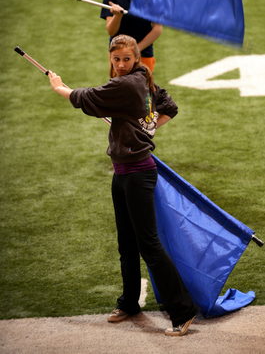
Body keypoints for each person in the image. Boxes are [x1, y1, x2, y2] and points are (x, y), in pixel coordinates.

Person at [48, 35, 199, 336]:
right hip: (123, 173)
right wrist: (145, 126)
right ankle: (130, 302)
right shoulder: (142, 79)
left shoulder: (127, 84)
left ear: (136, 59)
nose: (119, 65)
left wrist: (59, 87)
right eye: (115, 59)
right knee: (126, 244)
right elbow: (168, 106)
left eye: (126, 60)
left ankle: (183, 311)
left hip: (137, 174)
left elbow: (86, 99)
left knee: (149, 245)